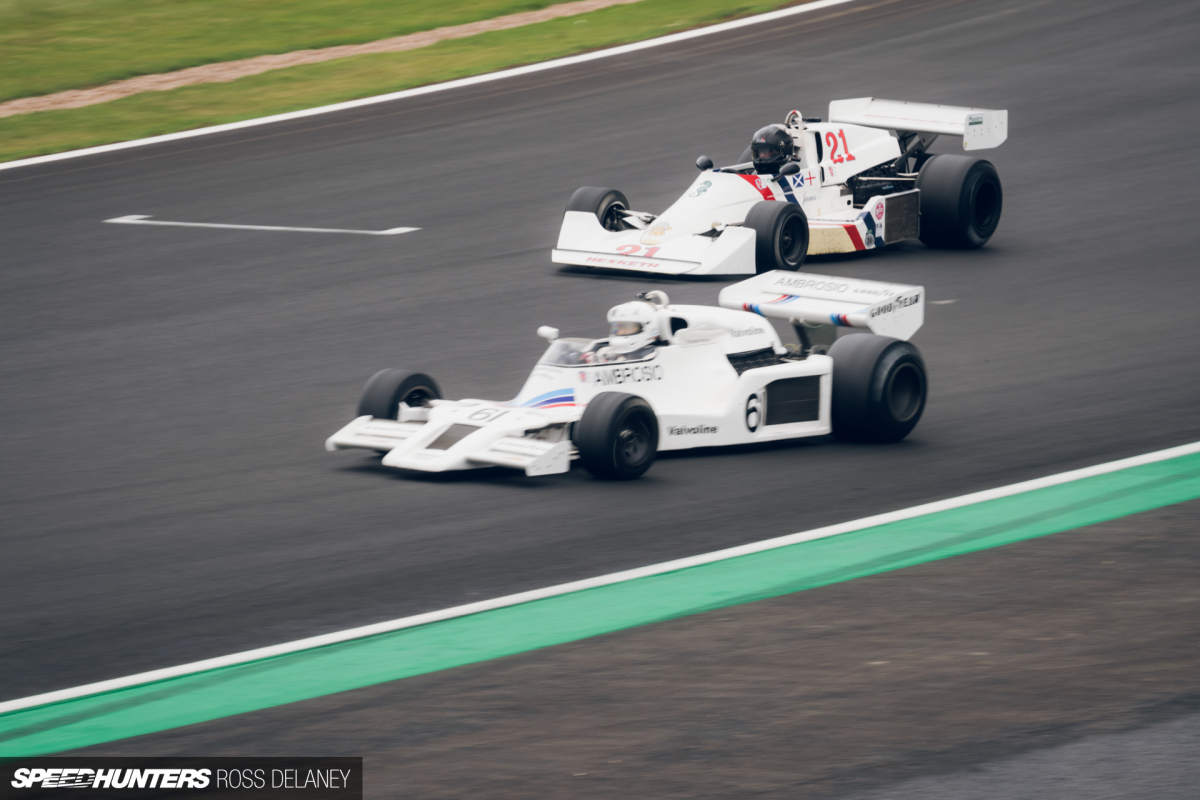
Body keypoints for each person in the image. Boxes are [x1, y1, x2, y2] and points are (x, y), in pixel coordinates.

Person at [594, 299, 663, 362]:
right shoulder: (603, 352)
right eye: (617, 328)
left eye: (628, 328)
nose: (621, 332)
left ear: (648, 327)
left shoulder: (653, 357)